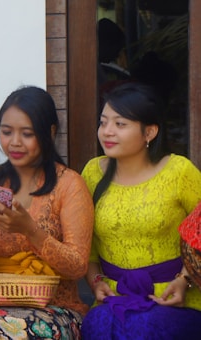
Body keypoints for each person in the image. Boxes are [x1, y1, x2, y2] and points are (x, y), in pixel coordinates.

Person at [0, 85, 94, 339]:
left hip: (56, 306)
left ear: (49, 133)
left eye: (27, 134)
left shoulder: (69, 185)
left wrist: (30, 230)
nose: (14, 142)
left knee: (18, 331)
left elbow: (77, 267)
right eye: (7, 132)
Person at [80, 82, 201, 339]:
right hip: (113, 302)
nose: (107, 132)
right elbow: (87, 244)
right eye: (103, 122)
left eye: (120, 124)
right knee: (97, 325)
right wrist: (96, 282)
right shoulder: (92, 172)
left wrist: (185, 280)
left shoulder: (179, 172)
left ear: (150, 132)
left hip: (174, 299)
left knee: (143, 328)